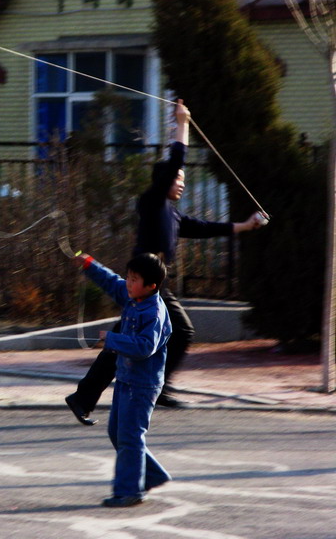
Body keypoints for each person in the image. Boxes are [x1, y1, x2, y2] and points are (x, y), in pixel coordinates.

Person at [65, 100, 265, 424]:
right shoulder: (153, 200)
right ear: (164, 182)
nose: (182, 182)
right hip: (145, 279)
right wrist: (181, 125)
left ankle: (82, 398)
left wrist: (244, 226)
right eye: (178, 178)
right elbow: (174, 161)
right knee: (182, 331)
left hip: (150, 280)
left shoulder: (172, 214)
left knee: (122, 340)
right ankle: (156, 390)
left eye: (183, 178)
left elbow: (205, 228)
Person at [73, 252, 172, 507]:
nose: (127, 283)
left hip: (143, 385)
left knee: (129, 436)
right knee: (118, 433)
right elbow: (111, 281)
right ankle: (151, 475)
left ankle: (129, 491)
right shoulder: (132, 296)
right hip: (126, 379)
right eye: (128, 277)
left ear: (152, 286)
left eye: (134, 279)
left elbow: (144, 346)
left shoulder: (154, 311)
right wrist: (90, 265)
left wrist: (112, 339)